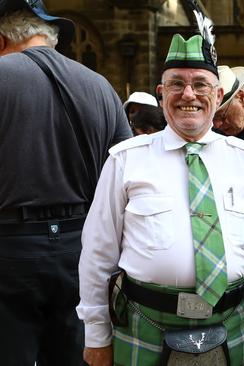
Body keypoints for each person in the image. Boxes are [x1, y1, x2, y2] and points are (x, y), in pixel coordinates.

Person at [77, 33, 244, 366]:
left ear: (218, 94)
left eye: (200, 85)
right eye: (176, 84)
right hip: (146, 323)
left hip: (232, 322)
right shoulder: (125, 160)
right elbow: (97, 255)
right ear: (161, 94)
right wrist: (97, 335)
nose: (189, 95)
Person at [0, 1, 132, 365]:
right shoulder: (101, 86)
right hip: (81, 245)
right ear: (51, 37)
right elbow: (124, 177)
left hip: (10, 248)